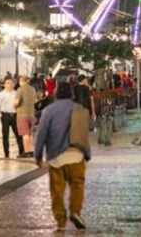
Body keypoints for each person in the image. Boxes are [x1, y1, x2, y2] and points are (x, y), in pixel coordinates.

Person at [35, 82, 90, 231]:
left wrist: (38, 155)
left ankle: (60, 221)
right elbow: (85, 132)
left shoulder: (48, 111)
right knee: (77, 185)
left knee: (57, 190)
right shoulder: (79, 108)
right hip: (76, 155)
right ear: (72, 94)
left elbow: (41, 135)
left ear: (56, 93)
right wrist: (87, 154)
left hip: (56, 157)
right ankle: (75, 211)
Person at [0, 77, 23, 158]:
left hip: (15, 116)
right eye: (7, 83)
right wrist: (0, 115)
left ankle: (21, 151)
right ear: (4, 85)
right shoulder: (1, 94)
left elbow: (20, 104)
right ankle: (6, 152)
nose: (9, 84)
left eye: (11, 83)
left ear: (13, 84)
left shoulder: (17, 93)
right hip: (5, 116)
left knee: (18, 134)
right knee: (5, 135)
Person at [15, 76, 37, 158]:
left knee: (25, 133)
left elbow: (16, 102)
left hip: (22, 114)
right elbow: (35, 101)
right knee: (30, 134)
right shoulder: (32, 89)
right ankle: (31, 151)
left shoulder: (20, 89)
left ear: (21, 81)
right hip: (31, 114)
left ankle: (27, 151)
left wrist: (14, 105)